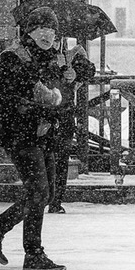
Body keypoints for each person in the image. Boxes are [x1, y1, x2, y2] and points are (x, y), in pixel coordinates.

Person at [0, 8, 67, 270]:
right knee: (38, 192)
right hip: (21, 136)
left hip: (45, 134)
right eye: (41, 29)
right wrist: (43, 110)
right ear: (28, 32)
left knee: (44, 194)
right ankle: (16, 242)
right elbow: (11, 100)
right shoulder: (12, 59)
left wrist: (71, 82)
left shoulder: (52, 59)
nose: (47, 34)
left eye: (51, 29)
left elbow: (59, 94)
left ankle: (16, 243)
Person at [46, 39, 95, 213]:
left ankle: (55, 200)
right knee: (46, 158)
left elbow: (89, 70)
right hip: (43, 114)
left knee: (61, 159)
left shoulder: (72, 56)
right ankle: (45, 196)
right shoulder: (36, 55)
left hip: (64, 114)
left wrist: (75, 72)